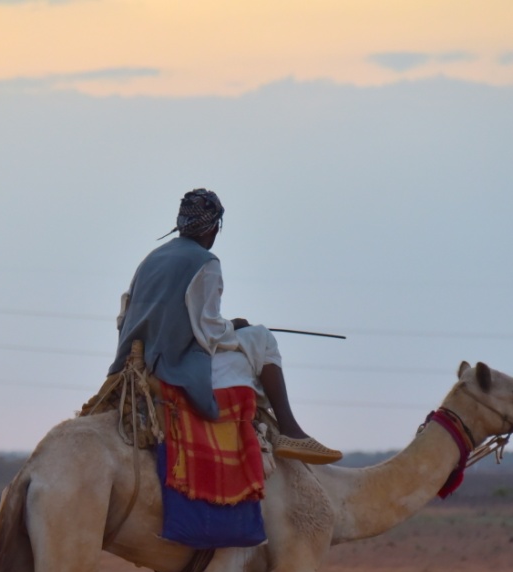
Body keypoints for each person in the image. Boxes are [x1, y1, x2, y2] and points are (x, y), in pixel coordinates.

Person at [108, 188, 342, 465]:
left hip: (132, 360)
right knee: (263, 338)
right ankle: (289, 429)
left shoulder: (151, 259)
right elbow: (209, 331)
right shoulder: (206, 263)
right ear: (214, 229)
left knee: (249, 338)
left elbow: (126, 316)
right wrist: (235, 326)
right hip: (173, 364)